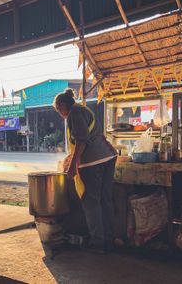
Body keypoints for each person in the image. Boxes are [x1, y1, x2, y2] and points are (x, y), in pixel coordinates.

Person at [53, 88, 117, 251]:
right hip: (108, 157)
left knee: (91, 202)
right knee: (105, 200)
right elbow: (82, 140)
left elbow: (82, 141)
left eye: (58, 109)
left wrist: (73, 167)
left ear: (62, 105)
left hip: (93, 162)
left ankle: (97, 243)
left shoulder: (74, 113)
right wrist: (71, 158)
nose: (59, 113)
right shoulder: (83, 109)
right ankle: (109, 240)